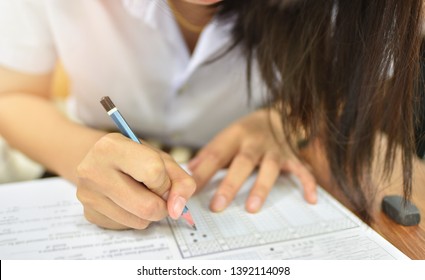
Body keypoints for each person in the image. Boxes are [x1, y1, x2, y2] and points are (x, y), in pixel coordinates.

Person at [0, 0, 316, 230]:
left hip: (243, 171)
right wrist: (89, 154)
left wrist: (285, 120)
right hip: (82, 146)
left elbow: (343, 97)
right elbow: (13, 95)